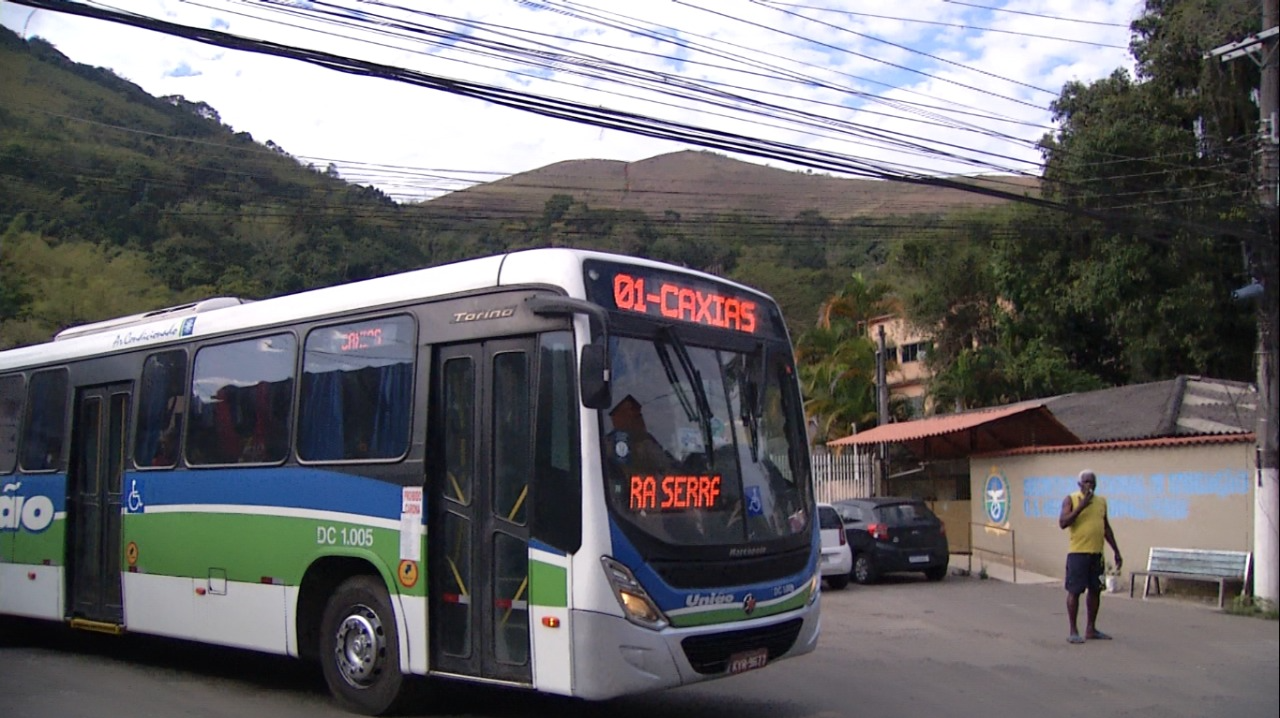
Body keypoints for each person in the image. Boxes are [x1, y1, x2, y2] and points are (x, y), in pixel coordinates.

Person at [1059, 469, 1122, 644]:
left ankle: (1091, 628)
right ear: (1079, 484)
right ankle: (1073, 630)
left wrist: (1116, 551)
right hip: (1078, 553)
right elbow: (1063, 523)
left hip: (1096, 554)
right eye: (1086, 482)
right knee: (1075, 591)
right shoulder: (1070, 499)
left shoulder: (1101, 502)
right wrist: (1082, 506)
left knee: (1095, 590)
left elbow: (1106, 528)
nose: (1090, 485)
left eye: (1092, 482)